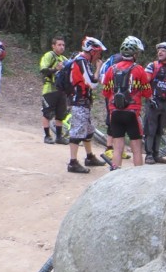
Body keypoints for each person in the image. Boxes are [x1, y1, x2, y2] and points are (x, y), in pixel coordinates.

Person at [101, 36, 152, 170]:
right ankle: (138, 177)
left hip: (115, 112)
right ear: (134, 54)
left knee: (117, 149)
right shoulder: (139, 69)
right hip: (132, 112)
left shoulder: (111, 69)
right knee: (136, 149)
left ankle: (114, 175)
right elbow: (147, 92)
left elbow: (105, 92)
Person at [66, 37, 108, 174]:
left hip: (84, 101)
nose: (99, 56)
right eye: (98, 53)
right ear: (92, 51)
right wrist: (98, 68)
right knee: (77, 131)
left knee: (88, 130)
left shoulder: (81, 60)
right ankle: (72, 162)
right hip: (79, 101)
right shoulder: (81, 61)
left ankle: (90, 157)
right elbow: (93, 83)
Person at [143, 41, 166, 164]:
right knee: (150, 129)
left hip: (164, 102)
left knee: (160, 129)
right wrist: (149, 96)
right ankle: (149, 155)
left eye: (163, 50)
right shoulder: (152, 66)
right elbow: (145, 82)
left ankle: (156, 154)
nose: (160, 52)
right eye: (159, 50)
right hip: (152, 101)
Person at [39, 36, 69, 144]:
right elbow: (43, 70)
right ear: (53, 46)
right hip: (50, 89)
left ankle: (59, 137)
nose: (61, 47)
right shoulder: (49, 55)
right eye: (59, 45)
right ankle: (47, 136)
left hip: (61, 91)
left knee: (60, 115)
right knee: (47, 113)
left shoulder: (65, 59)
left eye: (63, 45)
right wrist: (56, 69)